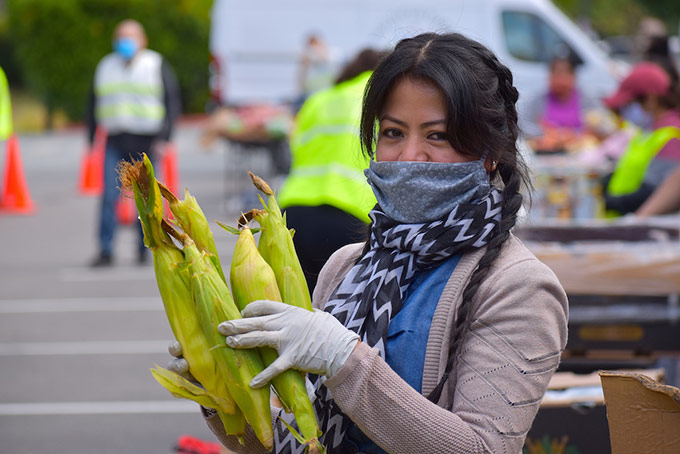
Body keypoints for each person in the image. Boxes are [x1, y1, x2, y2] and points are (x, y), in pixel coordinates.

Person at [172, 32, 568, 453]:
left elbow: (483, 448)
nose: (409, 154)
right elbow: (300, 441)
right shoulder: (345, 267)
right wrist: (220, 389)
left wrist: (344, 360)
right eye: (394, 132)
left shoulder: (520, 288)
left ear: (491, 153)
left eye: (437, 135)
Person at [277, 49, 384, 292]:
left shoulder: (318, 100)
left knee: (297, 307)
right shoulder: (382, 99)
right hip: (348, 217)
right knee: (339, 316)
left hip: (293, 212)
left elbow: (296, 149)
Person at [87, 19, 181, 267]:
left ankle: (146, 247)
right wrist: (90, 139)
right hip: (115, 140)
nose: (124, 42)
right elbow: (93, 102)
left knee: (148, 198)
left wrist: (165, 138)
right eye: (120, 37)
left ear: (143, 40)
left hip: (147, 144)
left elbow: (172, 102)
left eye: (130, 37)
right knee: (109, 196)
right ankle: (105, 250)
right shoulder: (105, 66)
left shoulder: (155, 64)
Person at [602, 62, 680, 216]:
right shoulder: (647, 131)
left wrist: (617, 202)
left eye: (632, 103)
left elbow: (659, 191)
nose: (627, 110)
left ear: (651, 99)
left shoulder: (672, 136)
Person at [523, 57, 600, 152]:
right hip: (547, 152)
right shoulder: (538, 100)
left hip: (578, 152)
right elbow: (524, 125)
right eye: (556, 77)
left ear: (573, 78)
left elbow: (598, 125)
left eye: (564, 78)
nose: (560, 83)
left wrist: (574, 135)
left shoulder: (587, 100)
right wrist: (543, 134)